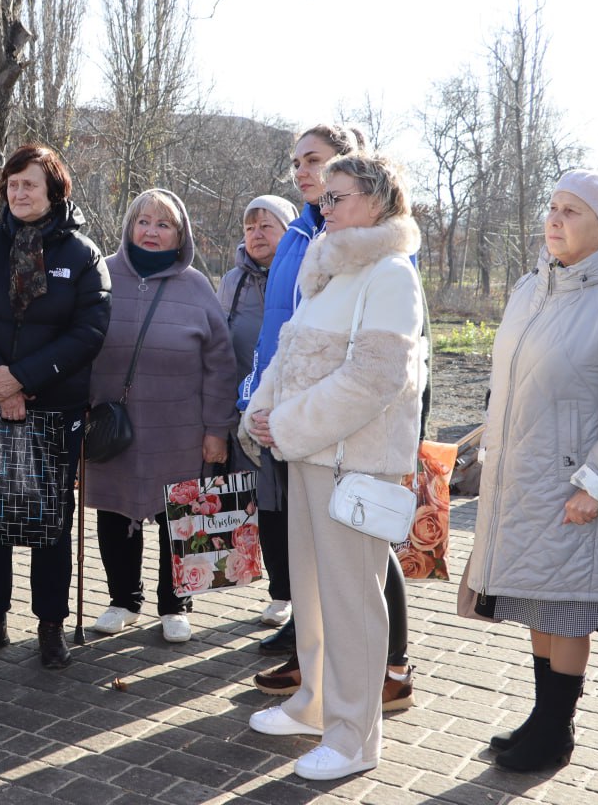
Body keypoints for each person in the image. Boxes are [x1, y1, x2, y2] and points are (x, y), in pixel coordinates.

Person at [464, 170, 598, 772]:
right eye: (551, 207)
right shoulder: (533, 287)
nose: (554, 219)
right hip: (523, 480)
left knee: (566, 608)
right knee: (535, 601)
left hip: (578, 488)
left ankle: (558, 728)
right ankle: (541, 716)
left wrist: (597, 486)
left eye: (572, 211)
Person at [243, 154, 424, 781]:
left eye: (339, 196)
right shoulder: (336, 269)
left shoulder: (390, 273)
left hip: (353, 463)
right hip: (310, 455)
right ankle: (315, 702)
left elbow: (373, 378)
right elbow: (290, 351)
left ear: (375, 202)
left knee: (352, 603)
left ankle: (355, 738)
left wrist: (285, 425)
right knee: (314, 594)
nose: (325, 205)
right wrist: (261, 413)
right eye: (327, 197)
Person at [0, 143, 111, 669]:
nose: (19, 193)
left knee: (51, 522)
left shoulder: (82, 255)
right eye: (12, 184)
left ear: (54, 190)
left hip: (53, 407)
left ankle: (50, 626)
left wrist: (25, 379)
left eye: (29, 184)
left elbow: (89, 330)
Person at [86, 189, 238, 644]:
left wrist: (217, 430)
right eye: (143, 222)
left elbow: (221, 365)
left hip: (180, 430)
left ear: (180, 234)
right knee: (115, 513)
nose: (151, 231)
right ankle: (122, 600)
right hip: (113, 428)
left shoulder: (196, 287)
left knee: (179, 516)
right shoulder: (101, 276)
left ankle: (177, 604)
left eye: (163, 224)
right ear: (130, 227)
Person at [215, 195, 294, 626]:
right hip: (245, 413)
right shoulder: (232, 281)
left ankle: (297, 592)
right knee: (262, 504)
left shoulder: (303, 274)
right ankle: (279, 592)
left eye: (267, 226)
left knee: (290, 506)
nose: (257, 235)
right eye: (250, 228)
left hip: (293, 411)